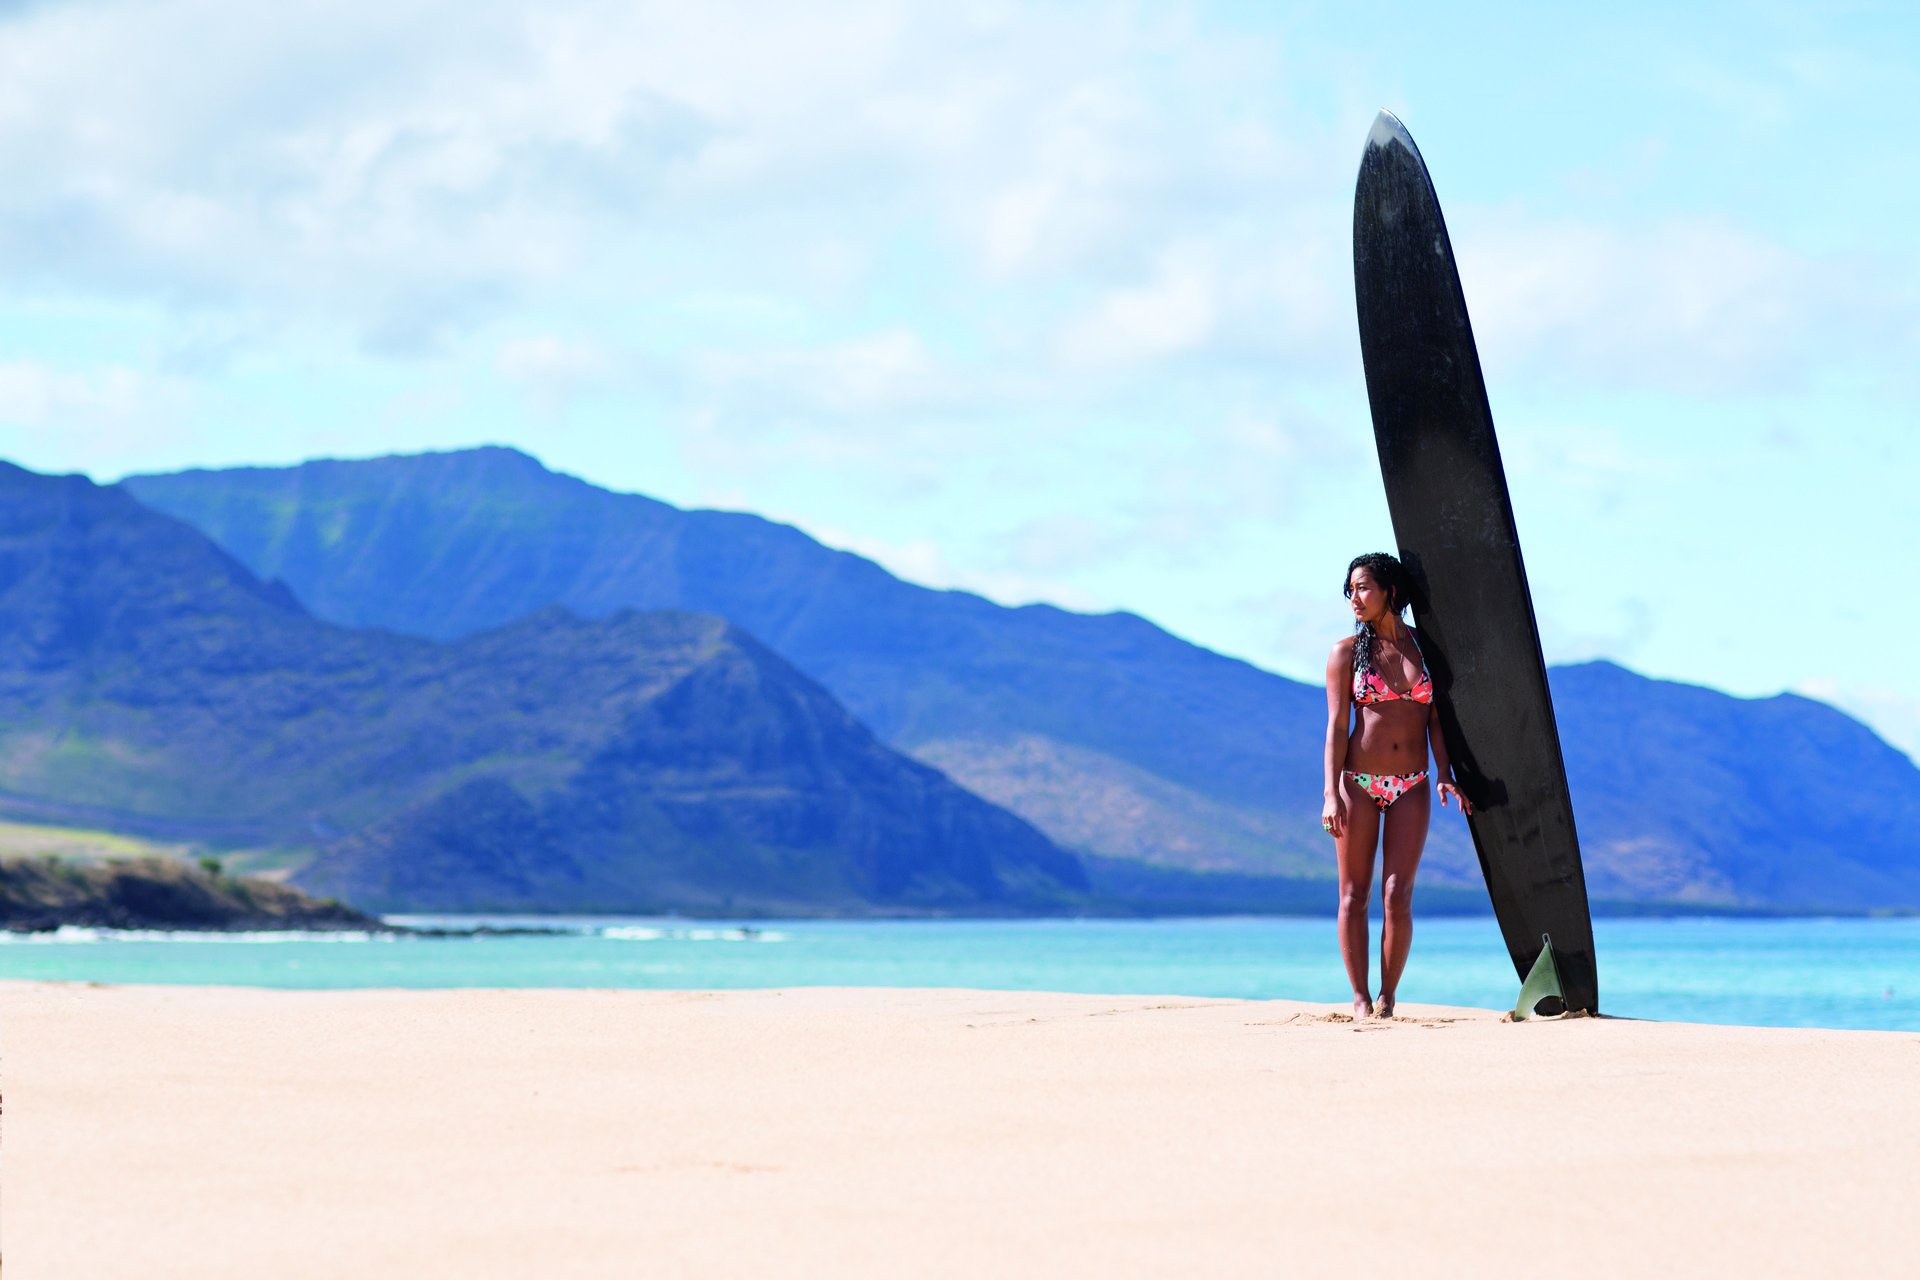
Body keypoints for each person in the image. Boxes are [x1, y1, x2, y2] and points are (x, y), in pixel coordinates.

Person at [1321, 552, 1471, 1019]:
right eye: (1351, 590)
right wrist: (1330, 792)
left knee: (1397, 894)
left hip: (1413, 784)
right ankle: (1361, 999)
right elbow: (1336, 727)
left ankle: (1388, 997)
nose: (1355, 599)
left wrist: (1446, 773)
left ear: (1389, 590)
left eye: (1364, 587)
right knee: (1354, 894)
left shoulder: (1427, 650)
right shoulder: (1346, 653)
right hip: (1357, 785)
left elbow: (1436, 722)